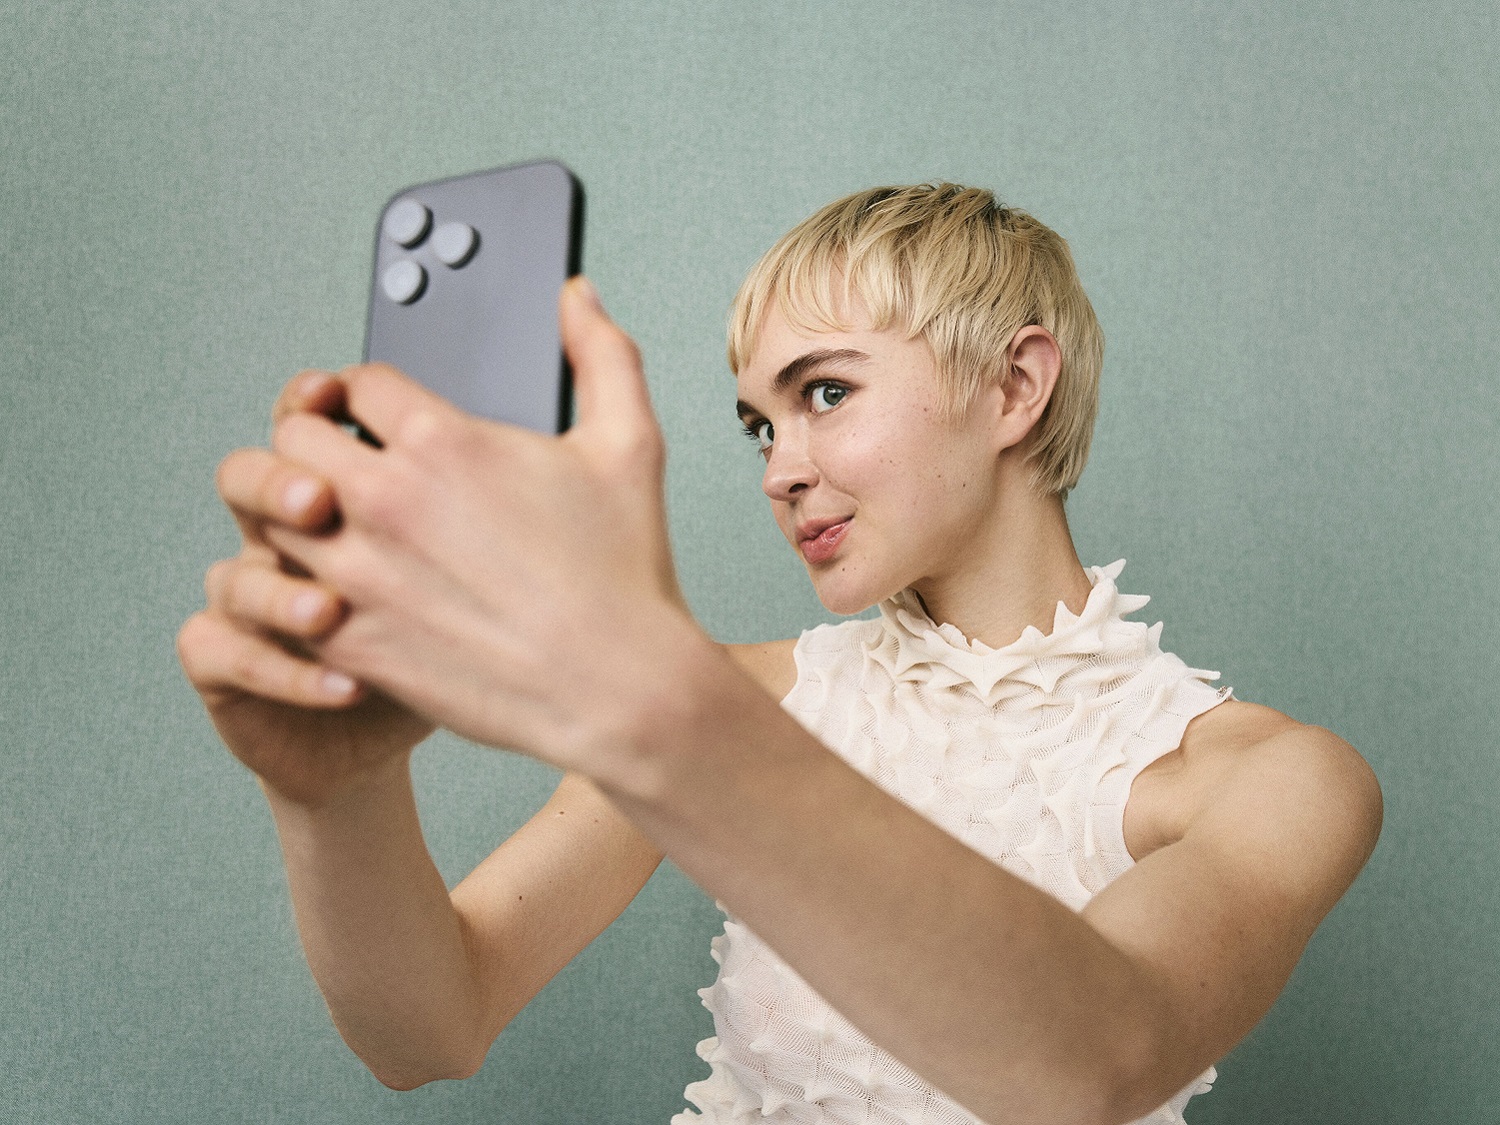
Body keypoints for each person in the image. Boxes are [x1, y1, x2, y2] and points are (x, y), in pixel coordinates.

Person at [177, 184, 1382, 1125]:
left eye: (825, 393)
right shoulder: (738, 701)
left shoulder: (1276, 782)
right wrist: (331, 795)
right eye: (759, 421)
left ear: (1014, 385)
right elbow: (428, 1030)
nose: (778, 468)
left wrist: (657, 703)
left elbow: (1092, 1063)